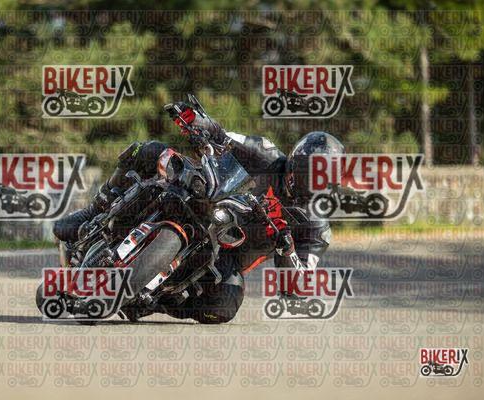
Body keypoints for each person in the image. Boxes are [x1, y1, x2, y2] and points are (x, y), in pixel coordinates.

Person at [53, 100, 344, 323]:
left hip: (227, 256)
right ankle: (94, 210)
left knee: (224, 307)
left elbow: (295, 287)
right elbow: (224, 137)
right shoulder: (265, 153)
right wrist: (198, 121)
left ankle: (155, 300)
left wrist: (287, 248)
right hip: (208, 196)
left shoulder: (316, 230)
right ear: (294, 161)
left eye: (317, 179)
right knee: (152, 151)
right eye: (304, 172)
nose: (305, 182)